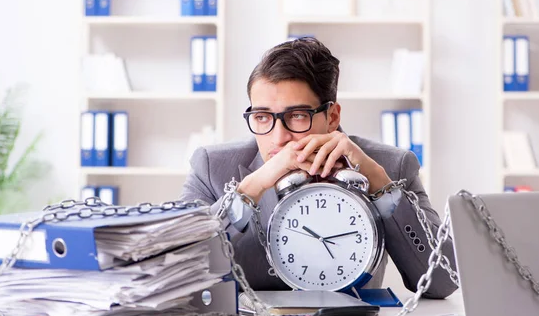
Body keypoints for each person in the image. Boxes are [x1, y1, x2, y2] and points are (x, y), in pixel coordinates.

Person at [180, 37, 457, 299]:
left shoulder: (391, 167)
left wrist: (380, 185)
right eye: (262, 117)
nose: (279, 138)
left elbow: (443, 281)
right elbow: (176, 269)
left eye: (297, 116)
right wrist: (252, 187)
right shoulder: (211, 167)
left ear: (333, 116)